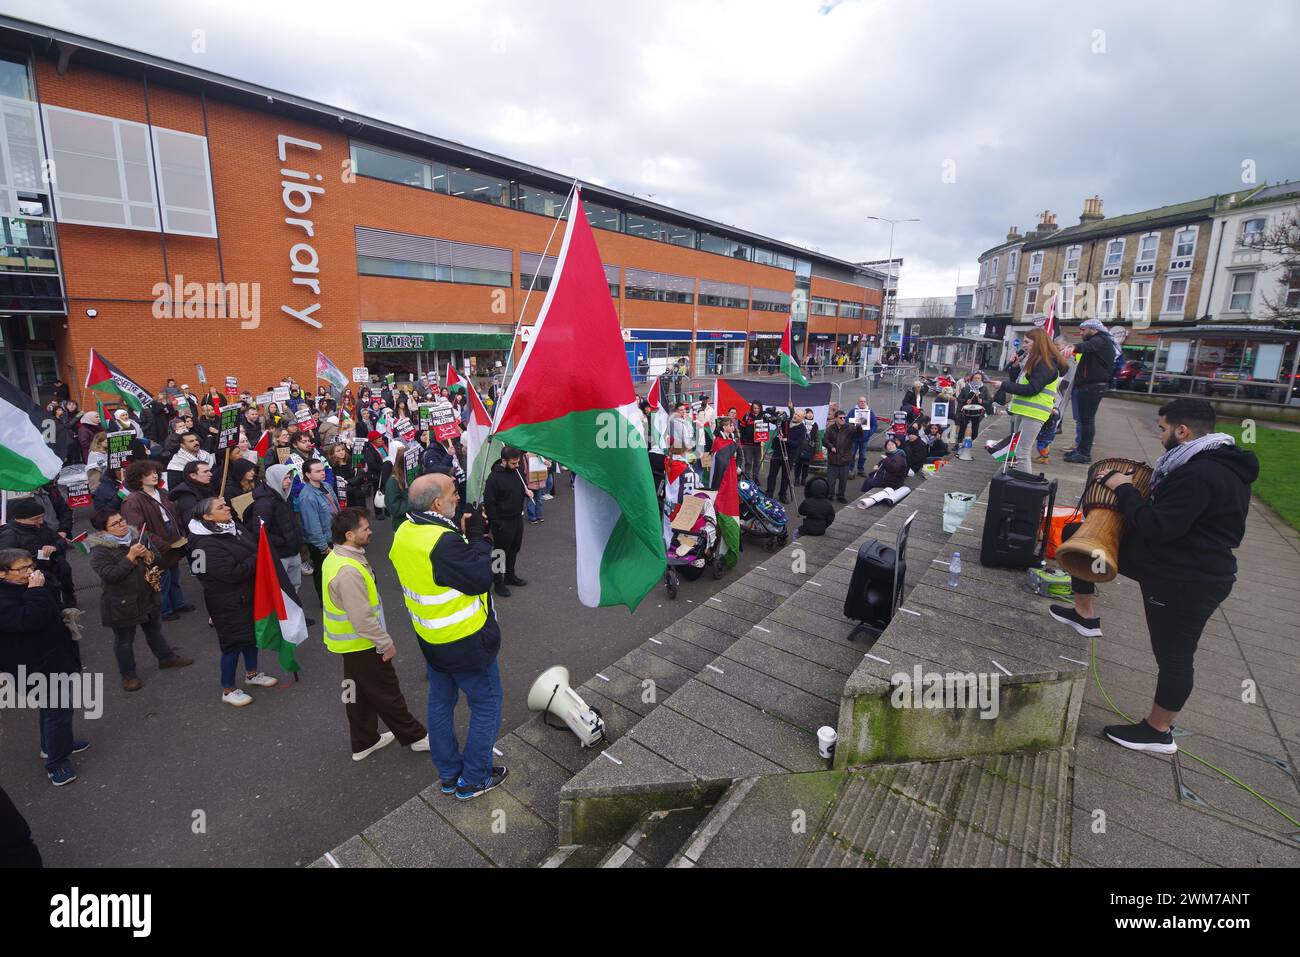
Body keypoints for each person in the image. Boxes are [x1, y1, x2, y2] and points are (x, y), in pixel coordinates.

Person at [1049, 399, 1258, 754]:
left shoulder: (1199, 474)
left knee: (1174, 656)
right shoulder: (1211, 461)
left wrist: (1123, 488)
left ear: (1182, 431)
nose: (1159, 436)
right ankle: (1085, 615)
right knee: (1077, 539)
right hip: (1175, 561)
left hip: (1186, 579)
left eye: (1162, 429)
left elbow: (1158, 526)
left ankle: (1158, 732)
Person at [390, 473, 505, 800]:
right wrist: (481, 539)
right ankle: (475, 778)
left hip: (432, 640)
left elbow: (440, 571)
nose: (458, 498)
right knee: (487, 704)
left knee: (440, 705)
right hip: (467, 643)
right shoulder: (442, 542)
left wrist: (463, 535)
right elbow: (481, 577)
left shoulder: (405, 532)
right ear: (437, 502)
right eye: (454, 493)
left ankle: (450, 775)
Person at [322, 508, 429, 760]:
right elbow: (362, 618)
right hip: (364, 644)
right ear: (349, 535)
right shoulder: (348, 570)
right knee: (387, 691)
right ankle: (415, 737)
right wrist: (385, 643)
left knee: (356, 694)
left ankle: (363, 742)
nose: (371, 531)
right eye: (365, 529)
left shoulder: (335, 558)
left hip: (350, 645)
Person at [0, 548, 84, 786]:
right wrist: (36, 590)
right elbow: (29, 620)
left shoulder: (27, 585)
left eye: (31, 566)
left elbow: (52, 601)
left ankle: (54, 745)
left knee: (53, 710)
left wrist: (40, 583)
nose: (31, 572)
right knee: (58, 712)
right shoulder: (6, 599)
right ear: (2, 574)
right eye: (22, 569)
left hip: (52, 658)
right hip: (35, 667)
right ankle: (57, 763)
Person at [87, 510, 193, 691]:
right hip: (121, 603)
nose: (122, 525)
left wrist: (148, 557)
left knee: (154, 631)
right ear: (104, 530)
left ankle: (166, 658)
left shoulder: (139, 537)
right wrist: (130, 557)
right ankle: (128, 675)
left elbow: (159, 562)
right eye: (115, 524)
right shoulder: (100, 549)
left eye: (121, 520)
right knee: (124, 640)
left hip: (147, 595)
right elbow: (110, 575)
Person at [187, 497, 278, 706]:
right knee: (232, 645)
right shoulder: (204, 543)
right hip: (227, 602)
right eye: (220, 507)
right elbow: (231, 573)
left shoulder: (233, 527)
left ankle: (252, 674)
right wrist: (258, 558)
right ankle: (228, 689)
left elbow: (252, 546)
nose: (228, 507)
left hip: (248, 595)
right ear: (207, 516)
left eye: (225, 504)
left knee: (250, 637)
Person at [987, 327, 1067, 474]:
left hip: (1034, 412)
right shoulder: (1035, 361)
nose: (1023, 345)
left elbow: (1032, 389)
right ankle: (1014, 481)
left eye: (1026, 342)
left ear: (1038, 343)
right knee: (1015, 451)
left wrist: (1003, 385)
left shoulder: (1045, 364)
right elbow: (1019, 383)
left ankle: (1024, 486)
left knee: (1022, 453)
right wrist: (1015, 367)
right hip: (1024, 410)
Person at [120, 459, 192, 621]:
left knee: (174, 573)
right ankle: (165, 610)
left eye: (155, 472)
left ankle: (178, 603)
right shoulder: (133, 500)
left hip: (172, 537)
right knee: (162, 577)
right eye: (149, 474)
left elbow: (174, 515)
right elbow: (138, 529)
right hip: (156, 542)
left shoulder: (162, 493)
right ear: (139, 478)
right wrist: (160, 544)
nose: (154, 475)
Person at [246, 463, 311, 623]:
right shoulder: (265, 502)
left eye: (289, 477)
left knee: (294, 585)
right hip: (280, 554)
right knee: (282, 589)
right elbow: (259, 531)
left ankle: (294, 618)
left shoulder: (283, 496)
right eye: (285, 478)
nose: (289, 481)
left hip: (292, 551)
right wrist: (283, 541)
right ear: (275, 479)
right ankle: (283, 620)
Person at [0, 495, 78, 608]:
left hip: (55, 563)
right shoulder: (9, 535)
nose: (41, 521)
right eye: (36, 518)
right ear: (21, 519)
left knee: (64, 573)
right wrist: (38, 556)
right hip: (33, 572)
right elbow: (7, 561)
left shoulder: (41, 526)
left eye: (42, 517)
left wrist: (54, 547)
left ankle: (68, 598)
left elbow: (59, 540)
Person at [1063, 318, 1119, 464]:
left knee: (1087, 421)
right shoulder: (1100, 341)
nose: (1081, 333)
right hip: (1089, 386)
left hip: (1092, 387)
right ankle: (1081, 450)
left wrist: (1074, 347)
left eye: (1083, 330)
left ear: (1094, 329)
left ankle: (1084, 453)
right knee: (1084, 420)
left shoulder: (1101, 339)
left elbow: (1087, 345)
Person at [483, 446, 529, 597]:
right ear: (504, 461)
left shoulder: (518, 471)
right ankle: (498, 582)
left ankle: (510, 576)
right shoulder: (494, 478)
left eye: (518, 463)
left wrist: (526, 492)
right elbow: (489, 503)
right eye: (514, 463)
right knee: (499, 553)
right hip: (502, 521)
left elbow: (519, 489)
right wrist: (496, 524)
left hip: (517, 517)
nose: (517, 466)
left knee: (514, 549)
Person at [299, 459, 341, 607]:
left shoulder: (326, 486)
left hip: (333, 535)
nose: (322, 473)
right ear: (308, 475)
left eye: (322, 470)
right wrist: (324, 547)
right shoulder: (307, 496)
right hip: (322, 541)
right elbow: (312, 526)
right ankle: (325, 600)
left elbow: (335, 509)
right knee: (322, 572)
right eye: (317, 471)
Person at [822, 409, 862, 503]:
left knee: (843, 480)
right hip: (833, 458)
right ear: (836, 418)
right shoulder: (830, 429)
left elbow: (859, 436)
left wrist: (859, 427)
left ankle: (841, 495)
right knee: (831, 480)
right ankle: (830, 494)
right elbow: (825, 440)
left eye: (844, 417)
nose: (843, 419)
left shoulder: (850, 427)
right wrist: (830, 446)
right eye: (841, 418)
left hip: (845, 458)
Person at [170, 459, 215, 532]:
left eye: (209, 471)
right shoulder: (187, 496)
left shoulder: (205, 488)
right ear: (193, 475)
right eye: (205, 472)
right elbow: (192, 523)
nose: (210, 474)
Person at [764, 411, 793, 504]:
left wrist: (790, 409)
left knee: (786, 476)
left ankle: (783, 495)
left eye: (781, 415)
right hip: (777, 452)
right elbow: (770, 420)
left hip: (788, 453)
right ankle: (769, 493)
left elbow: (791, 415)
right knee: (772, 474)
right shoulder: (778, 422)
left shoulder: (791, 422)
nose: (779, 417)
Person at [849, 397, 874, 476]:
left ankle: (860, 470)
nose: (863, 403)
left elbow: (874, 425)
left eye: (864, 401)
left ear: (866, 402)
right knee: (852, 454)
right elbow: (847, 421)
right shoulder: (853, 412)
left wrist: (869, 433)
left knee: (863, 455)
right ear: (858, 402)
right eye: (861, 401)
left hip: (865, 439)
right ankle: (850, 469)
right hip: (854, 438)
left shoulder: (870, 412)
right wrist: (859, 421)